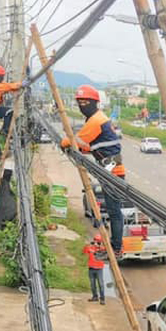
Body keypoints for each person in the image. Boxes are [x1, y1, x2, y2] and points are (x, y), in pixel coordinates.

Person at [61, 85, 125, 257]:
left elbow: (76, 140)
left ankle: (117, 248)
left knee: (114, 211)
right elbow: (89, 146)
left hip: (112, 168)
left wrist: (65, 143)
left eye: (85, 102)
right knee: (113, 211)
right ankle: (115, 245)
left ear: (95, 103)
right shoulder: (97, 119)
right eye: (80, 102)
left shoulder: (96, 120)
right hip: (109, 165)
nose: (82, 105)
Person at [83, 234, 106, 305]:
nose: (96, 242)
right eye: (95, 241)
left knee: (101, 284)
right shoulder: (90, 247)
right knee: (92, 284)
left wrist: (99, 247)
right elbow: (84, 252)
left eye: (98, 241)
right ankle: (95, 296)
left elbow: (105, 252)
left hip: (99, 269)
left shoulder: (103, 249)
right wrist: (89, 245)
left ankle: (102, 299)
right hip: (91, 268)